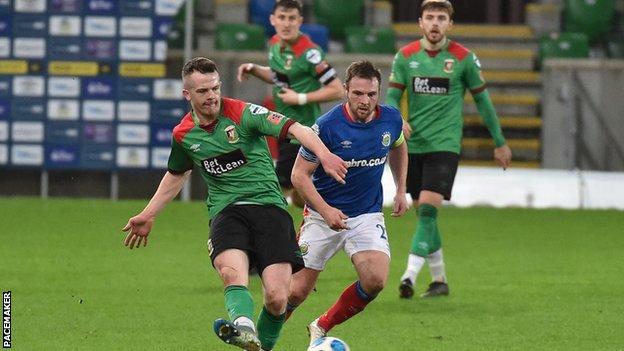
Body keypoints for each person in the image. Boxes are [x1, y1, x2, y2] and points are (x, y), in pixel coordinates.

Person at [121, 57, 347, 351]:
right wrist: (148, 214)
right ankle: (243, 326)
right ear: (187, 95)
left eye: (215, 88)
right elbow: (177, 173)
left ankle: (257, 344)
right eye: (203, 91)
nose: (211, 95)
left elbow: (296, 129)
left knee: (278, 298)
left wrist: (325, 156)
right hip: (227, 212)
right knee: (231, 273)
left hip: (269, 208)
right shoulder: (184, 134)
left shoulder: (243, 114)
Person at [385, 0, 512, 299]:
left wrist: (499, 141)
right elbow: (391, 96)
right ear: (420, 22)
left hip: (445, 145)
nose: (435, 23)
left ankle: (408, 276)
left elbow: (483, 101)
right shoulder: (405, 57)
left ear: (449, 24)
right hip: (412, 146)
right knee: (425, 217)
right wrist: (397, 119)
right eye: (429, 17)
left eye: (441, 18)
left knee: (428, 211)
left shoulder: (464, 59)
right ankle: (440, 280)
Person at [285, 60, 409, 345]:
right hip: (321, 215)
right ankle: (262, 344)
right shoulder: (326, 127)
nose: (365, 101)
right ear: (345, 90)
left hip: (366, 214)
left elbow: (400, 146)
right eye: (358, 94)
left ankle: (322, 325)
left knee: (376, 279)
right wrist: (325, 210)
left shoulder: (390, 119)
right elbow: (299, 176)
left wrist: (401, 189)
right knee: (294, 293)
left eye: (371, 94)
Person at [237, 0, 344, 208]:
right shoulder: (275, 43)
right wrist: (255, 69)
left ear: (300, 21)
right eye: (282, 18)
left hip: (302, 131)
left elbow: (337, 89)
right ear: (273, 19)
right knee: (299, 197)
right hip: (282, 128)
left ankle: (266, 233)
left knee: (276, 189)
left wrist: (300, 98)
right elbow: (280, 76)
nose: (286, 23)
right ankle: (320, 221)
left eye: (292, 18)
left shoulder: (310, 53)